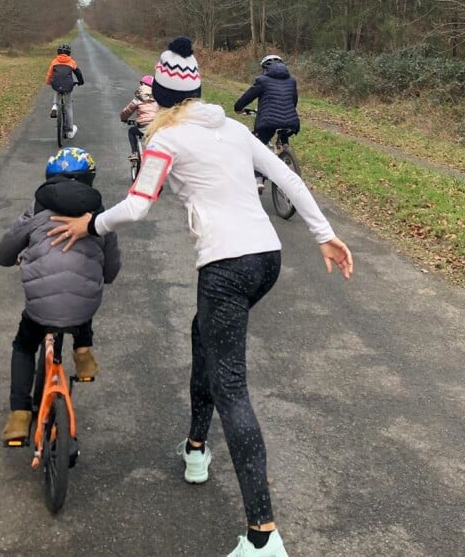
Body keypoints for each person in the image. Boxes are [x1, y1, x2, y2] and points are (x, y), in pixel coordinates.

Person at [46, 37, 353, 557]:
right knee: (202, 336)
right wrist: (323, 233)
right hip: (266, 259)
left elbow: (139, 206)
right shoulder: (232, 129)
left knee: (231, 385)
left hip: (227, 266)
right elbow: (285, 177)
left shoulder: (166, 141)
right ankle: (194, 448)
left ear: (162, 96)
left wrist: (90, 224)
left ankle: (263, 536)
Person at [0, 147, 121, 442]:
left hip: (41, 309)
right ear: (90, 180)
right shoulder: (99, 218)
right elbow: (111, 272)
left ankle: (19, 414)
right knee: (82, 296)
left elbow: (3, 255)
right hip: (83, 306)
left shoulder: (35, 211)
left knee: (25, 344)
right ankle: (83, 351)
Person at [234, 54, 300, 194]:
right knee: (283, 136)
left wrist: (238, 107)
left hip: (268, 121)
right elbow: (293, 101)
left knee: (257, 147)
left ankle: (258, 179)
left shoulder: (262, 80)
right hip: (291, 121)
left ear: (265, 68)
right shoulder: (292, 81)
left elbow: (248, 96)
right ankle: (284, 152)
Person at [45, 43, 85, 140]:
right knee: (68, 107)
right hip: (68, 85)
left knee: (56, 87)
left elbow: (50, 74)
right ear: (69, 53)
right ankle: (70, 131)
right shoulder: (71, 62)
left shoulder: (54, 61)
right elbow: (78, 73)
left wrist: (48, 82)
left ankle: (54, 105)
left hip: (57, 84)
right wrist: (81, 82)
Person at [120, 75, 159, 161]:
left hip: (144, 126)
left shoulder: (139, 97)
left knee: (132, 131)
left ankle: (135, 153)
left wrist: (123, 118)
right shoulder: (158, 97)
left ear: (142, 84)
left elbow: (128, 110)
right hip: (157, 126)